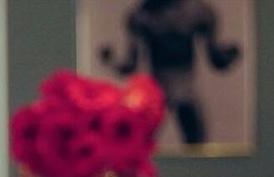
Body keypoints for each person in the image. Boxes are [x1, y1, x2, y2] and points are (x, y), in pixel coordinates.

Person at [100, 0, 240, 145]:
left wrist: (111, 60)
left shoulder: (195, 12)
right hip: (164, 90)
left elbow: (216, 59)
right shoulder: (143, 15)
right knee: (141, 144)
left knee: (197, 148)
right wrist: (111, 61)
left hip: (177, 88)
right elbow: (217, 60)